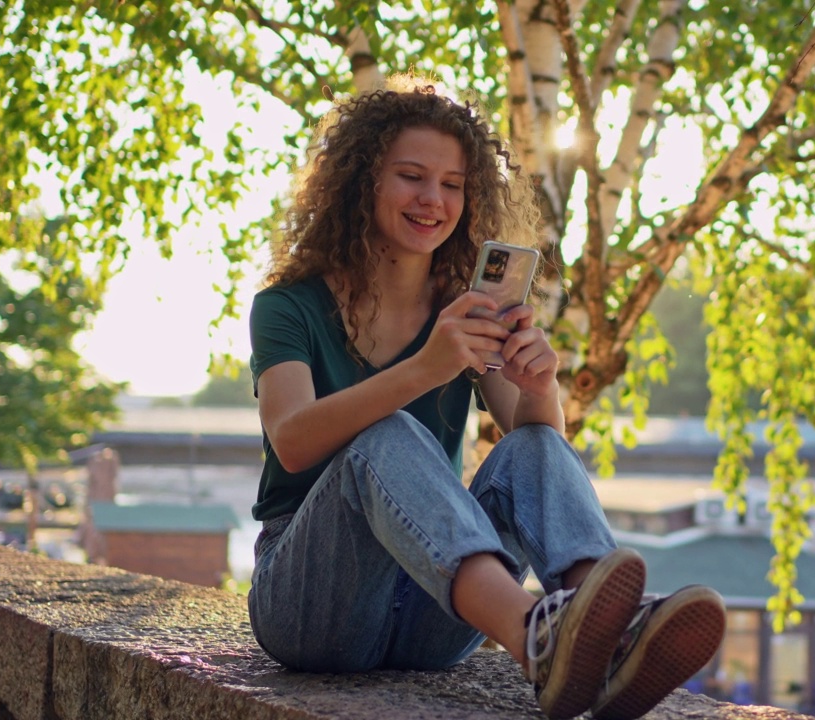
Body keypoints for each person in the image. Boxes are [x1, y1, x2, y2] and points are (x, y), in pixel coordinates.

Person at [245, 76, 726, 720]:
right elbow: (295, 440)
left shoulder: (466, 304)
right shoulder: (287, 305)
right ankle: (539, 633)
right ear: (364, 182)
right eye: (411, 176)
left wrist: (539, 385)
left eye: (452, 184)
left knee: (531, 443)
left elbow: (537, 446)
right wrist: (425, 368)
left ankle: (605, 634)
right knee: (385, 435)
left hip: (432, 615)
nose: (433, 199)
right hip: (310, 605)